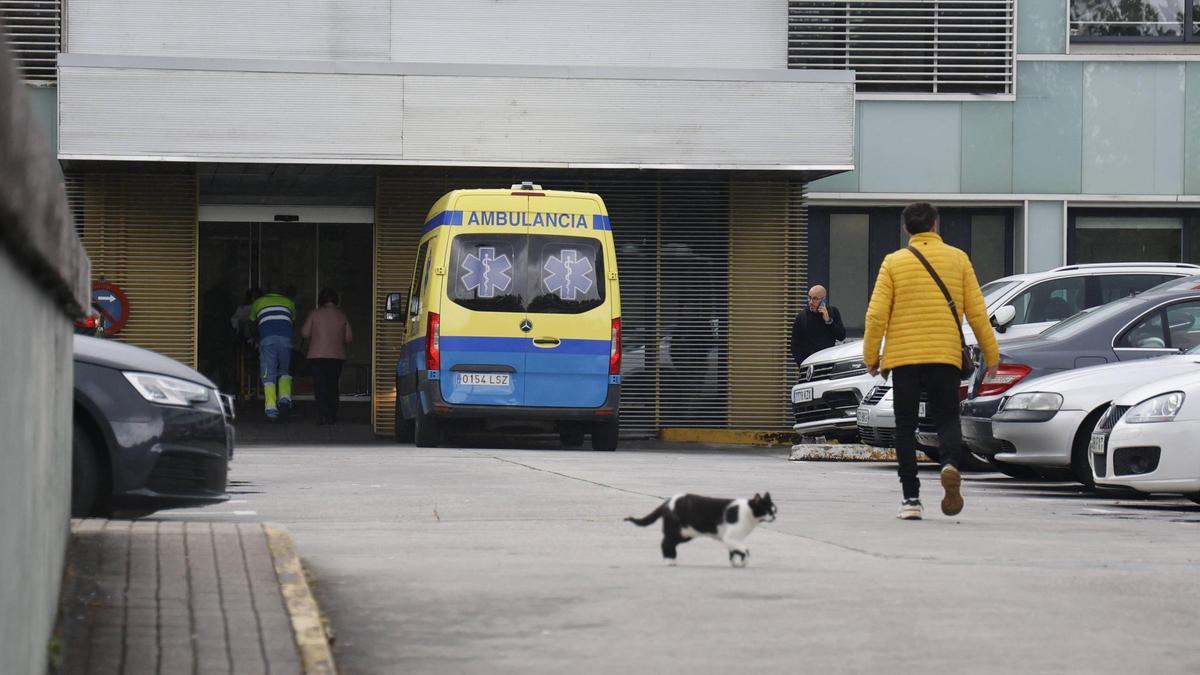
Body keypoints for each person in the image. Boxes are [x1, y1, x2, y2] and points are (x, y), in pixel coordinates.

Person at [862, 202, 999, 521]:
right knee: (947, 419)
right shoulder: (958, 259)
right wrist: (992, 356)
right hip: (945, 355)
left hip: (904, 359)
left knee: (905, 425)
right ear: (935, 226)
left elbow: (876, 314)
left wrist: (871, 356)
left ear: (906, 229)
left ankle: (910, 498)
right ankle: (950, 464)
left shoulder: (893, 263)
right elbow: (978, 314)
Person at [301, 288, 353, 425]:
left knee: (320, 386)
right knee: (333, 385)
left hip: (317, 355)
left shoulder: (314, 314)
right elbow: (349, 337)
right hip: (337, 356)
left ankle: (322, 414)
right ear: (336, 300)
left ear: (321, 300)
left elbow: (305, 333)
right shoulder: (342, 316)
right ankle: (332, 415)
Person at [251, 286, 297, 420]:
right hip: (286, 340)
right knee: (284, 370)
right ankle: (284, 399)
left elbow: (253, 323)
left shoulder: (258, 302)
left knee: (268, 373)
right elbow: (291, 322)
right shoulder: (289, 302)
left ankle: (271, 408)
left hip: (267, 341)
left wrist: (256, 339)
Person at [790, 284, 846, 371]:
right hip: (808, 365)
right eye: (809, 297)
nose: (811, 302)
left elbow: (841, 336)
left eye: (815, 299)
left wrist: (828, 321)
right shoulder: (802, 316)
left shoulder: (832, 312)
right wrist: (802, 365)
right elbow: (794, 345)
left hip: (827, 363)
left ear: (824, 300)